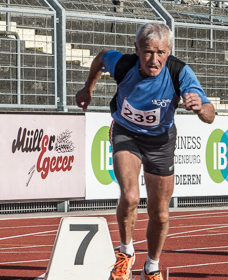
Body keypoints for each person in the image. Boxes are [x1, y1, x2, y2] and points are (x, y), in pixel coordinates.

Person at [75, 23, 215, 280]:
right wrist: (88, 88)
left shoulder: (179, 72)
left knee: (159, 212)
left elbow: (210, 115)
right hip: (126, 133)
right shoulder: (123, 65)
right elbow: (101, 56)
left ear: (169, 50)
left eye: (161, 52)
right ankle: (125, 254)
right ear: (137, 50)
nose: (154, 60)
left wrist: (201, 107)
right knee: (129, 196)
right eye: (148, 52)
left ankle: (152, 266)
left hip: (160, 142)